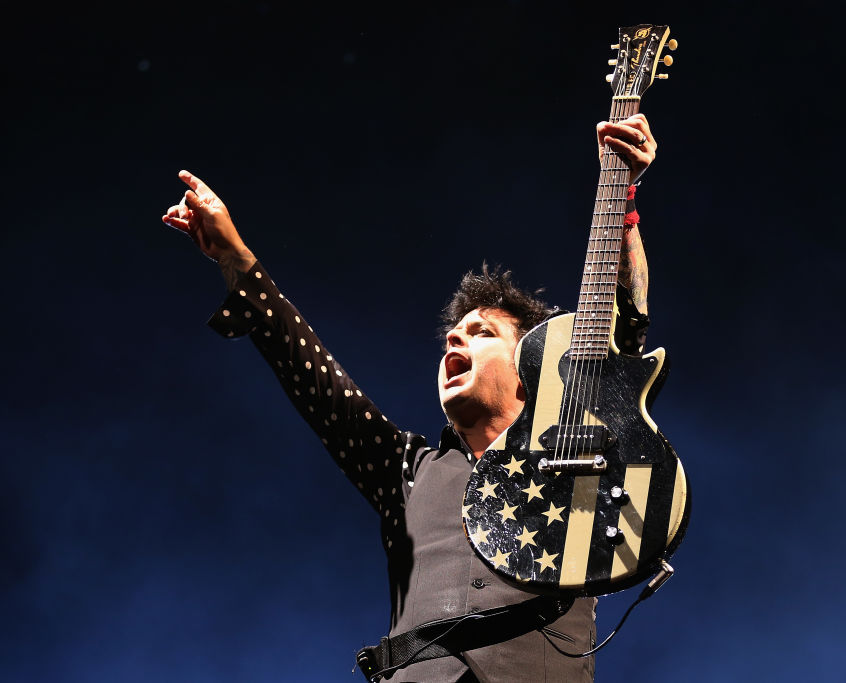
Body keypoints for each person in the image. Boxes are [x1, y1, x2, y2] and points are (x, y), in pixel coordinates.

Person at [161, 115, 658, 682]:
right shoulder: (409, 471)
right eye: (453, 335)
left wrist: (622, 196)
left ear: (530, 368)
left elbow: (617, 333)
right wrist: (234, 255)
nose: (455, 340)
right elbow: (310, 373)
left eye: (482, 333)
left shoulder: (577, 451)